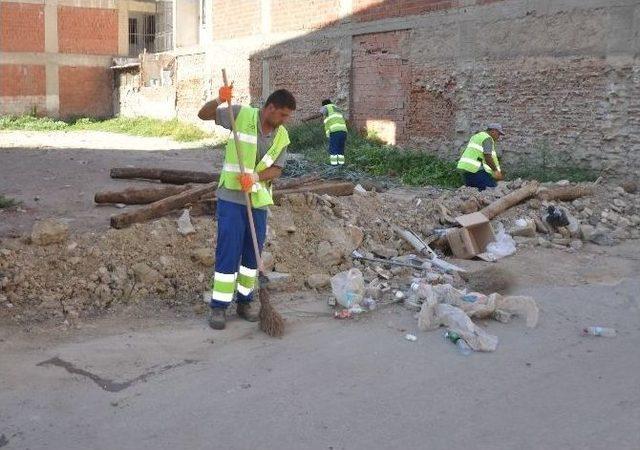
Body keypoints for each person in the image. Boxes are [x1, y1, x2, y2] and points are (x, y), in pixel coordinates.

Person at [197, 87, 296, 330]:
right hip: (231, 197)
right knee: (228, 251)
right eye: (282, 115)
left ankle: (245, 302)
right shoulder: (240, 114)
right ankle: (219, 307)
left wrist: (255, 177)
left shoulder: (281, 136)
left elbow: (278, 169)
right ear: (270, 108)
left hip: (258, 200)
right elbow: (203, 115)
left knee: (252, 255)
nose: (285, 121)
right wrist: (220, 99)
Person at [456, 123, 505, 191]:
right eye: (498, 134)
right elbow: (487, 158)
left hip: (466, 169)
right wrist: (495, 171)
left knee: (473, 193)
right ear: (493, 131)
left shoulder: (477, 136)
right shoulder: (487, 139)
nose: (499, 137)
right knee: (491, 189)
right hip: (476, 170)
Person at [321, 99, 348, 166]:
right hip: (343, 131)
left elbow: (321, 112)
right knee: (340, 149)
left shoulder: (326, 107)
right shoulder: (337, 108)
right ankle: (341, 165)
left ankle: (334, 167)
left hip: (335, 131)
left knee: (333, 149)